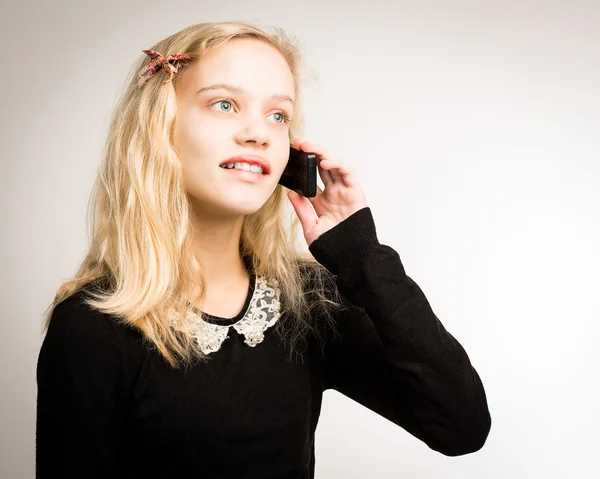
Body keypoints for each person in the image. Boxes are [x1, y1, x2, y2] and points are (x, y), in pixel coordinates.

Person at [35, 20, 492, 478]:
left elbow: (460, 427)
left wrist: (361, 255)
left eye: (278, 115)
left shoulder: (307, 301)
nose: (258, 133)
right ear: (160, 127)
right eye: (224, 104)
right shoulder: (92, 324)